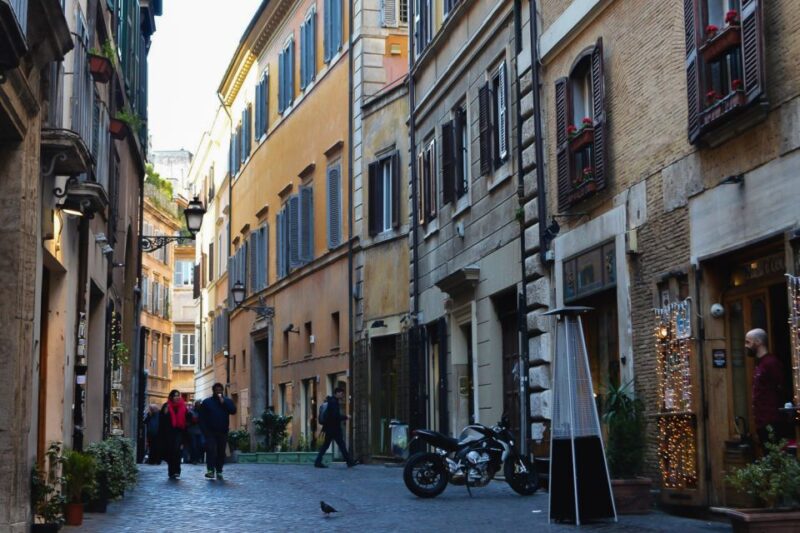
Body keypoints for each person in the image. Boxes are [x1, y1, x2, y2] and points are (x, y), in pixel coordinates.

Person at [745, 328, 788, 449]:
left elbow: (780, 387)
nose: (746, 346)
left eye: (748, 342)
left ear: (758, 342)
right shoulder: (761, 363)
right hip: (762, 420)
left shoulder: (771, 363)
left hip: (771, 420)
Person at [200, 383, 236, 480]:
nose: (218, 392)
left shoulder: (227, 401)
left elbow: (233, 411)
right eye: (217, 390)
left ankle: (219, 470)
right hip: (210, 432)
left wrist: (223, 402)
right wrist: (204, 431)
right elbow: (202, 417)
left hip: (222, 431)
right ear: (213, 391)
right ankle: (210, 470)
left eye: (220, 390)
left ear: (222, 390)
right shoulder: (207, 402)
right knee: (211, 450)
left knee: (221, 452)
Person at [314, 387, 356, 468]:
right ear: (337, 393)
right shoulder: (333, 402)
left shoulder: (332, 401)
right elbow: (335, 416)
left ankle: (317, 461)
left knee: (326, 445)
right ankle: (349, 462)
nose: (342, 395)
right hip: (334, 428)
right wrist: (345, 417)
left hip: (329, 428)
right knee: (341, 444)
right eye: (341, 393)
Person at [159, 390, 189, 479]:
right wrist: (165, 413)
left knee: (177, 452)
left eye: (178, 395)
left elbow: (187, 420)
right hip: (169, 433)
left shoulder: (183, 407)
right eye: (175, 396)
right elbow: (162, 421)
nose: (177, 397)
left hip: (179, 432)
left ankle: (177, 471)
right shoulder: (166, 406)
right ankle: (171, 471)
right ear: (171, 397)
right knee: (171, 452)